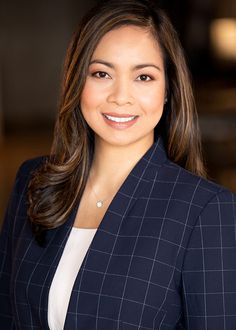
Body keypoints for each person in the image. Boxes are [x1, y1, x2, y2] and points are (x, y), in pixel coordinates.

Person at [1, 0, 236, 329]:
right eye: (101, 73)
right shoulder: (33, 181)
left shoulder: (204, 211)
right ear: (76, 81)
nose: (120, 96)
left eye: (143, 77)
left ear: (168, 90)